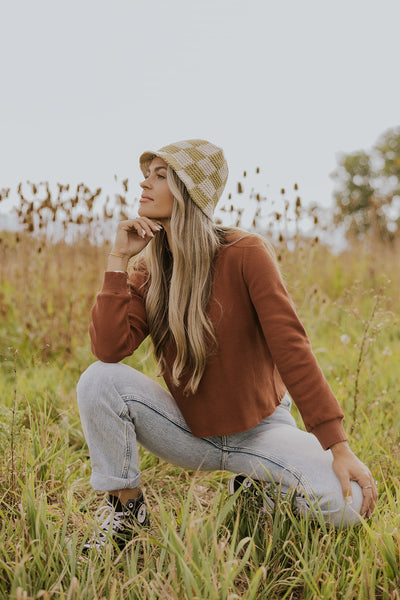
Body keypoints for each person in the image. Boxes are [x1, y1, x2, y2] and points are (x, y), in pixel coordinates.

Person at [77, 139, 378, 553]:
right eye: (147, 174)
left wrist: (338, 448)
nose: (144, 184)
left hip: (262, 432)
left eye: (161, 176)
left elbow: (293, 349)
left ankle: (258, 494)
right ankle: (127, 514)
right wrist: (118, 260)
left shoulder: (246, 253)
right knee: (99, 380)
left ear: (190, 191)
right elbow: (109, 349)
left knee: (352, 503)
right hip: (188, 431)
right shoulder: (150, 268)